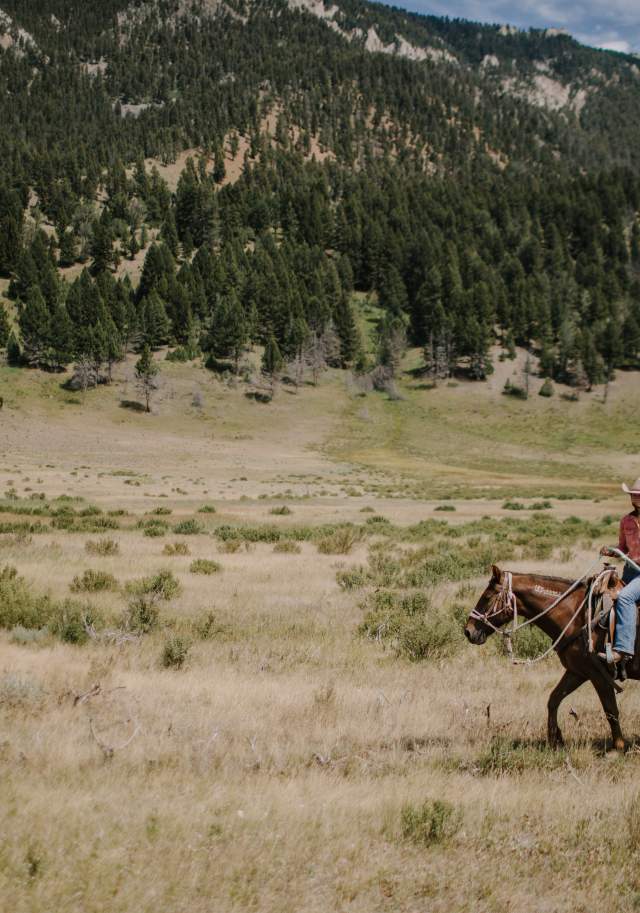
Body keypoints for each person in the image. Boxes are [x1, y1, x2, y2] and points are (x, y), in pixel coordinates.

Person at [600, 478, 640, 663]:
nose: (635, 498)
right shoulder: (626, 521)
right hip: (630, 571)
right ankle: (601, 643)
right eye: (633, 495)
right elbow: (624, 548)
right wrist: (611, 551)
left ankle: (622, 650)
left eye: (638, 495)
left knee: (625, 597)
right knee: (603, 595)